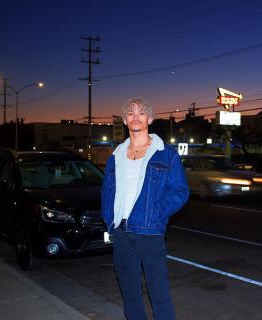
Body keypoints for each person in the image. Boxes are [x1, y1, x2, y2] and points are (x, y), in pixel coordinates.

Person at [101, 98, 189, 320]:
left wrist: (157, 213)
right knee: (129, 293)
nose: (136, 117)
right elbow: (107, 191)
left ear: (149, 118)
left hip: (150, 231)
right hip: (120, 232)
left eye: (141, 113)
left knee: (159, 292)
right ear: (124, 120)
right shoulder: (116, 155)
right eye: (131, 113)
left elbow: (180, 191)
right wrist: (109, 220)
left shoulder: (165, 153)